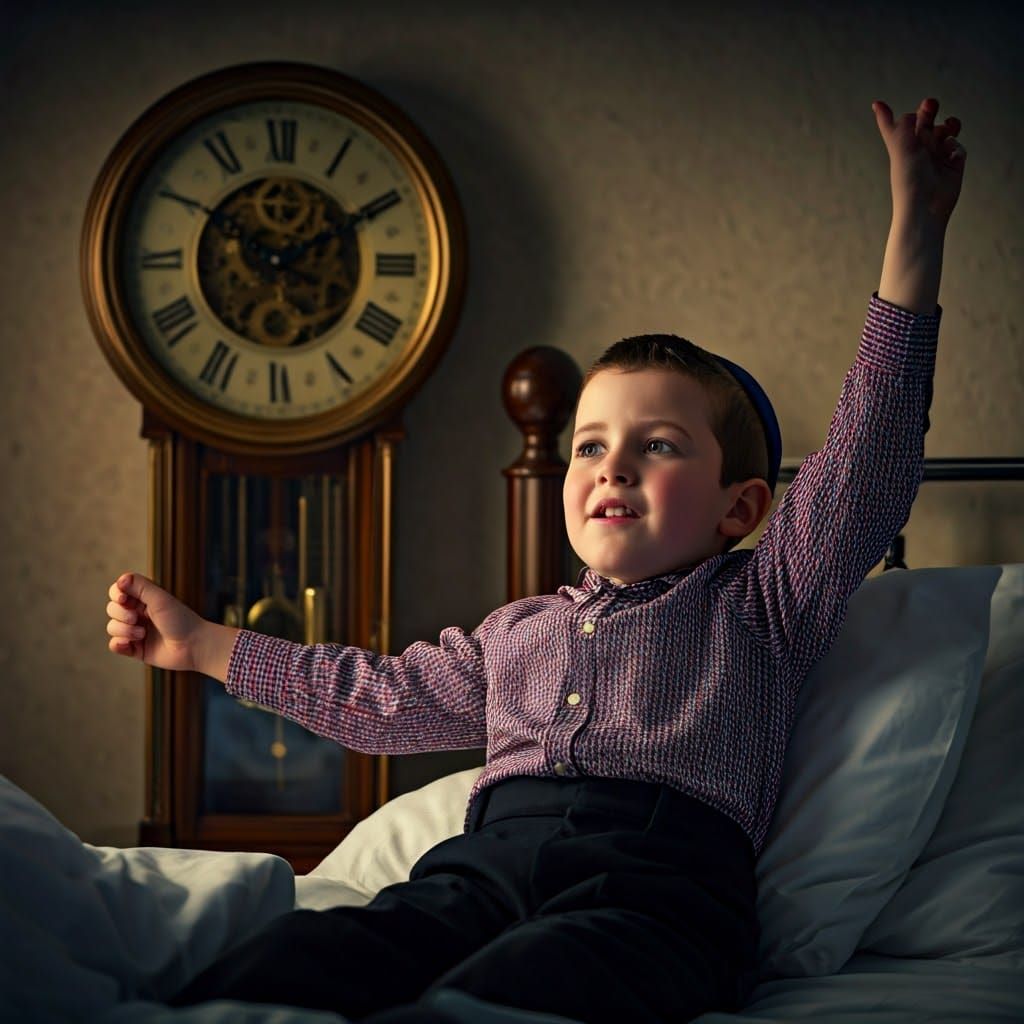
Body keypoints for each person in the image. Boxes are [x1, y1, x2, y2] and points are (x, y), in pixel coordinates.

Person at [105, 96, 966, 1024]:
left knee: (528, 987)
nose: (614, 466)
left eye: (660, 445)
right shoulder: (516, 634)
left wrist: (914, 226)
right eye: (589, 445)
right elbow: (376, 696)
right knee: (307, 957)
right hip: (479, 870)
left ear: (741, 508)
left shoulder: (761, 602)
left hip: (652, 891)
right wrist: (204, 646)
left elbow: (869, 457)